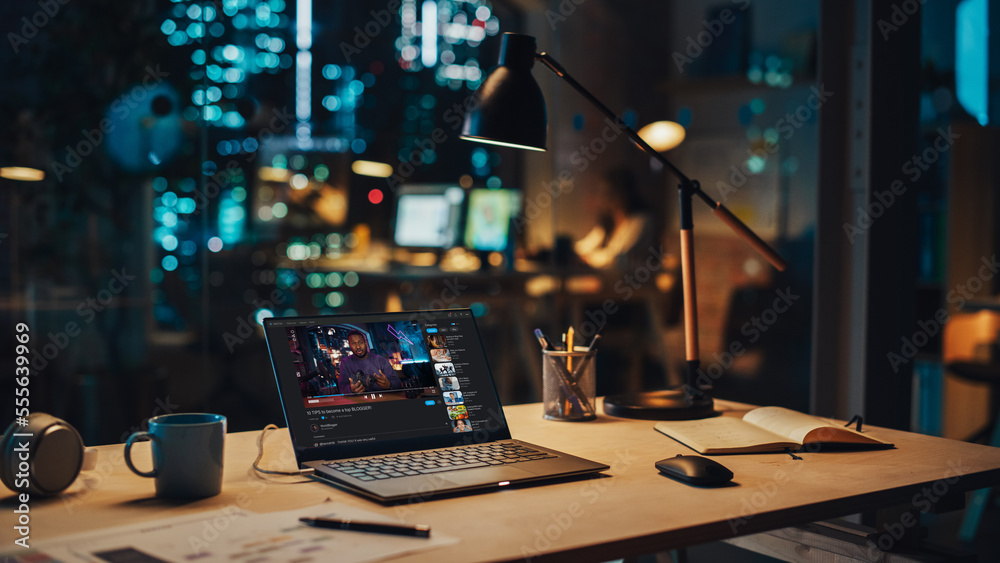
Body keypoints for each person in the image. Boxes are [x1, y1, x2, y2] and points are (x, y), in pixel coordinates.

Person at [574, 167, 655, 269]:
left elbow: (620, 258)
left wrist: (588, 259)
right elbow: (586, 245)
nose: (602, 197)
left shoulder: (641, 221)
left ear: (622, 193)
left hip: (632, 280)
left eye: (607, 192)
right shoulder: (608, 222)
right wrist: (568, 250)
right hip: (610, 279)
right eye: (601, 192)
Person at [337, 330, 402, 394]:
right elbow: (341, 388)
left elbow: (398, 384)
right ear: (349, 345)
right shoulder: (345, 363)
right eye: (353, 343)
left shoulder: (380, 360)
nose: (358, 347)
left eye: (360, 342)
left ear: (365, 343)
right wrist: (351, 389)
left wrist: (389, 385)